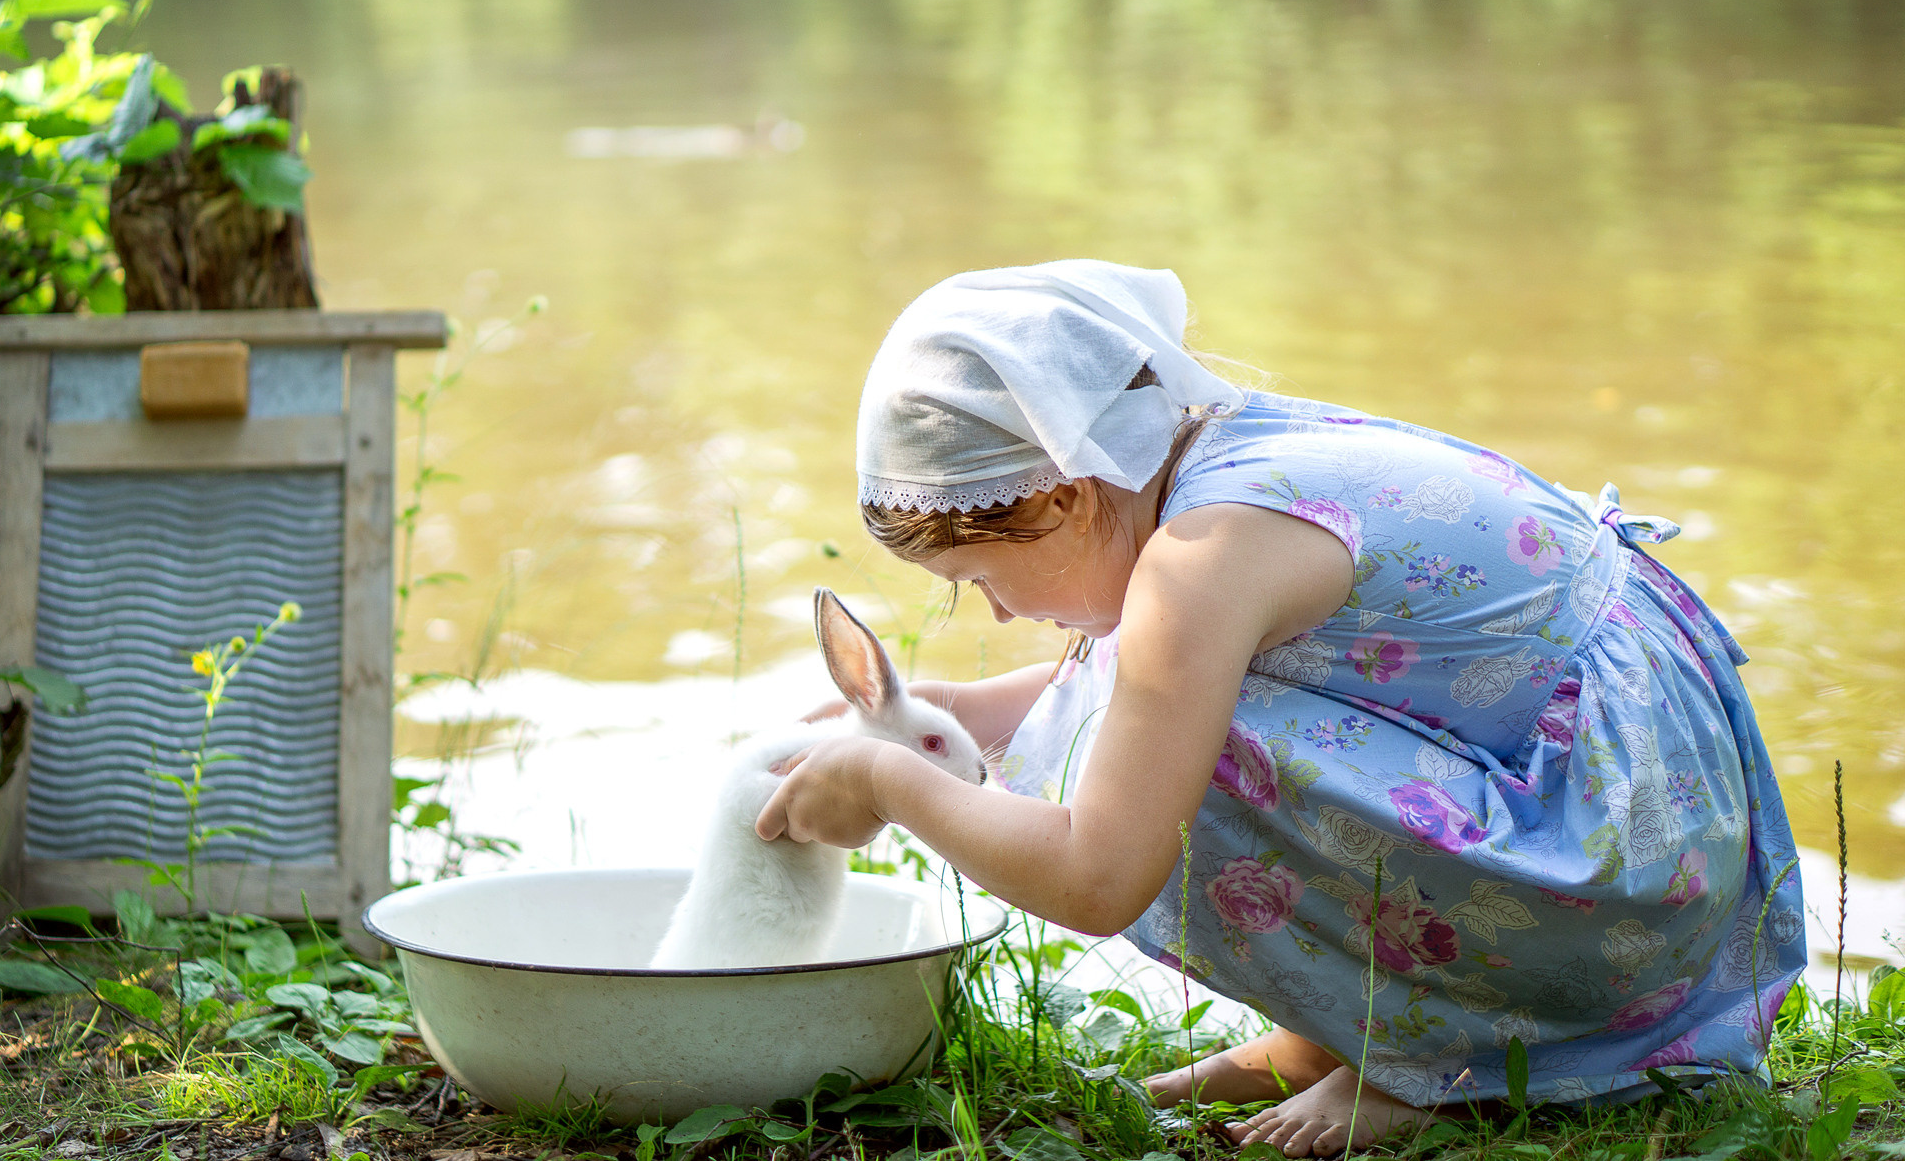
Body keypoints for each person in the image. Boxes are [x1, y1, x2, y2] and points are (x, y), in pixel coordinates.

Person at [757, 260, 1805, 1157]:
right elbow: (1154, 680)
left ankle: (1454, 1059)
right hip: (1656, 827)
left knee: (1160, 762)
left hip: (1607, 885)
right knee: (1141, 708)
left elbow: (1096, 874)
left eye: (985, 575)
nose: (995, 607)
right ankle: (1353, 1030)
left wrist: (886, 778)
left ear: (1066, 497)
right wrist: (947, 712)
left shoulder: (1199, 561)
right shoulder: (1214, 455)